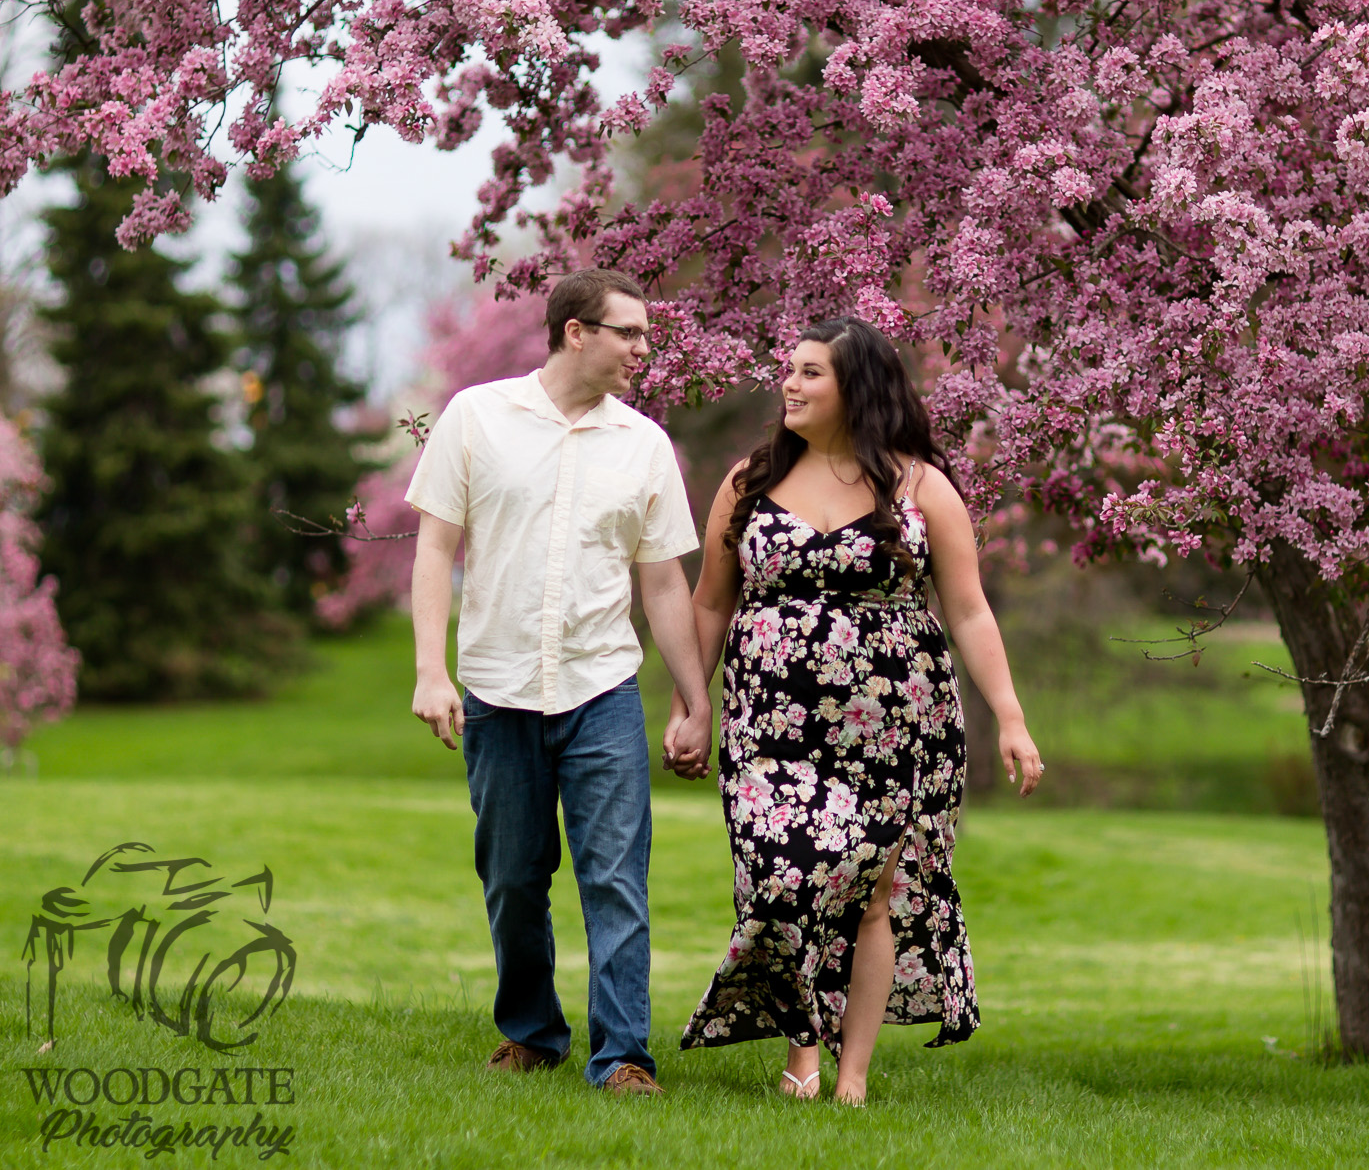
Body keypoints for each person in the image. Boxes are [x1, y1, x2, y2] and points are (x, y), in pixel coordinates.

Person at [677, 315, 1044, 1105]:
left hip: (892, 726)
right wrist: (689, 703)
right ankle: (803, 1042)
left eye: (811, 372)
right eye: (791, 370)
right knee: (782, 876)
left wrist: (1010, 716)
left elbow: (971, 611)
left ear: (858, 386)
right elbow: (710, 602)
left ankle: (848, 1073)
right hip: (769, 724)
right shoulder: (750, 480)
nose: (791, 384)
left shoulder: (919, 486)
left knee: (870, 888)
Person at [407, 269, 715, 1097]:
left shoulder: (645, 443)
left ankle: (623, 1055)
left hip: (602, 688)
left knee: (614, 875)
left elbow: (662, 583)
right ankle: (532, 1031)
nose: (643, 350)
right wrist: (431, 671)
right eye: (630, 334)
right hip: (498, 690)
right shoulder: (476, 418)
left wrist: (694, 698)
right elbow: (436, 548)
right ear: (576, 332)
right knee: (512, 877)